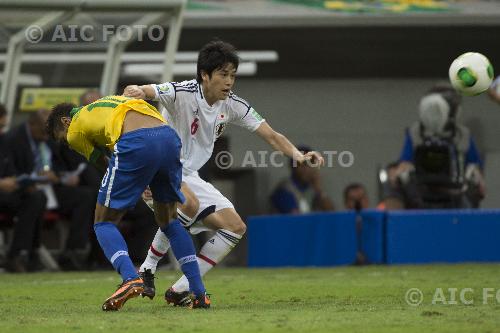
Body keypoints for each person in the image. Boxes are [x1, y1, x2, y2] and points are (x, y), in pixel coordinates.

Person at [124, 40, 324, 305]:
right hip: (161, 170)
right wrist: (136, 89)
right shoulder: (182, 92)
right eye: (223, 74)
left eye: (232, 75)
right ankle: (147, 269)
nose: (229, 81)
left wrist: (299, 156)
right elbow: (149, 91)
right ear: (205, 75)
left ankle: (180, 289)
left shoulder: (232, 105)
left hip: (190, 175)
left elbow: (272, 136)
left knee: (235, 227)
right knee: (189, 205)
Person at [46, 95, 209, 310]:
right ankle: (199, 293)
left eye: (63, 138)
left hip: (136, 143)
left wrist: (136, 181)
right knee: (169, 222)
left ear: (66, 122)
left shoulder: (75, 128)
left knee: (103, 222)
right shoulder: (105, 104)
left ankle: (130, 277)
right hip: (169, 139)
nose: (68, 143)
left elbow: (103, 162)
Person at [6, 109, 95, 270]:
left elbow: (60, 165)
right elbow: (9, 173)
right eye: (43, 130)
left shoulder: (49, 138)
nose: (47, 135)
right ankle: (22, 254)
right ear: (31, 125)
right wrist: (30, 178)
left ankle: (73, 252)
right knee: (36, 198)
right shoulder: (13, 139)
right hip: (22, 189)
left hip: (50, 187)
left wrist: (59, 176)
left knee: (85, 195)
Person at [391, 85, 485, 209]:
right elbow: (405, 163)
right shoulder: (415, 133)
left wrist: (475, 177)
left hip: (456, 194)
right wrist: (400, 172)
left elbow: (475, 168)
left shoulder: (462, 135)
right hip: (421, 192)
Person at [0, 104, 47, 272]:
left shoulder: (4, 140)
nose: (2, 131)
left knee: (37, 197)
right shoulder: (12, 138)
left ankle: (23, 253)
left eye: (3, 127)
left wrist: (20, 183)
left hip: (8, 192)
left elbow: (8, 168)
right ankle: (22, 254)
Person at [270, 145, 334, 214]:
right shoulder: (284, 190)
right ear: (293, 167)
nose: (306, 169)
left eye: (310, 165)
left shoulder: (313, 187)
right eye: (302, 165)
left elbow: (331, 214)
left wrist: (319, 190)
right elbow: (296, 220)